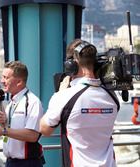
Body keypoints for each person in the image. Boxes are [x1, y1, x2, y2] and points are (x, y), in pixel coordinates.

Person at [40, 39, 119, 167]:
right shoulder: (112, 97)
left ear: (72, 64)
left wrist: (59, 93)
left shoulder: (63, 96)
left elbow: (44, 129)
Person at [0, 61, 44, 167]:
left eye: (6, 77)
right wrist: (3, 124)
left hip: (28, 163)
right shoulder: (11, 103)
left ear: (19, 82)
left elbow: (32, 136)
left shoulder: (32, 102)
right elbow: (9, 133)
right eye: (2, 77)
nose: (2, 81)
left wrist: (4, 130)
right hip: (11, 162)